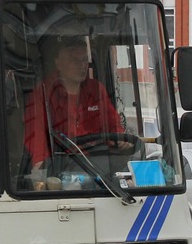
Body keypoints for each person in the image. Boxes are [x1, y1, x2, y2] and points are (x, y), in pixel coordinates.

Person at [22, 36, 132, 171]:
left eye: (85, 60)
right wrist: (42, 166)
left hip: (100, 162)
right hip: (63, 166)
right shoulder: (42, 94)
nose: (82, 66)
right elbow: (35, 134)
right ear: (58, 63)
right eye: (75, 60)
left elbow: (113, 124)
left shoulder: (96, 90)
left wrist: (120, 139)